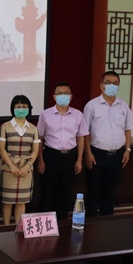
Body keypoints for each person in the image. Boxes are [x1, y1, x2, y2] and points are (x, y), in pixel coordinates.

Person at [83, 71, 133, 216]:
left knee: (110, 192)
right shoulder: (92, 106)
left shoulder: (123, 106)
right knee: (93, 191)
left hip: (117, 155)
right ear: (101, 86)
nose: (112, 86)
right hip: (97, 154)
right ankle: (92, 223)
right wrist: (88, 153)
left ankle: (107, 222)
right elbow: (85, 132)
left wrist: (127, 150)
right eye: (108, 83)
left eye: (115, 83)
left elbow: (128, 129)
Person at [37, 82, 88, 220]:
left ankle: (61, 221)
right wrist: (41, 159)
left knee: (65, 190)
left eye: (66, 93)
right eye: (60, 93)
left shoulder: (78, 114)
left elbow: (81, 137)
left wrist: (79, 159)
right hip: (51, 155)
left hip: (70, 156)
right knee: (48, 190)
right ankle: (44, 222)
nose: (63, 96)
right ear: (54, 96)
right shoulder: (45, 114)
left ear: (71, 96)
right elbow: (39, 138)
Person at [0, 95, 40, 225]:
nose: (21, 109)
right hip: (8, 168)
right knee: (7, 202)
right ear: (13, 108)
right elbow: (1, 149)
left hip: (26, 169)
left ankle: (19, 229)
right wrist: (12, 166)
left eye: (24, 106)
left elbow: (35, 151)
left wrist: (27, 166)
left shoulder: (33, 128)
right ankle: (6, 227)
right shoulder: (5, 126)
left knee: (22, 202)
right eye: (18, 106)